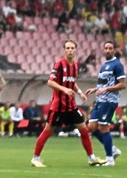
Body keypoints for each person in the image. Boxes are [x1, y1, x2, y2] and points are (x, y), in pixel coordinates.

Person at [30, 39, 106, 168]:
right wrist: (64, 89)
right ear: (64, 50)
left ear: (76, 50)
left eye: (72, 48)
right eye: (68, 48)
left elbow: (71, 82)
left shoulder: (75, 65)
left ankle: (91, 158)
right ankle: (35, 158)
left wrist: (80, 92)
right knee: (48, 130)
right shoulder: (59, 64)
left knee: (84, 130)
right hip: (58, 106)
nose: (70, 50)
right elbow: (50, 82)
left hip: (71, 105)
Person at [85, 40, 126, 167]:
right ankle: (113, 150)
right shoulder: (104, 66)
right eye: (106, 48)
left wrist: (106, 89)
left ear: (114, 50)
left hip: (109, 101)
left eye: (110, 48)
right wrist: (95, 89)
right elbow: (103, 84)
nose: (107, 50)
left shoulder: (117, 65)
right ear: (103, 50)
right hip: (100, 100)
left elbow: (122, 85)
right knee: (91, 127)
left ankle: (110, 159)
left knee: (103, 127)